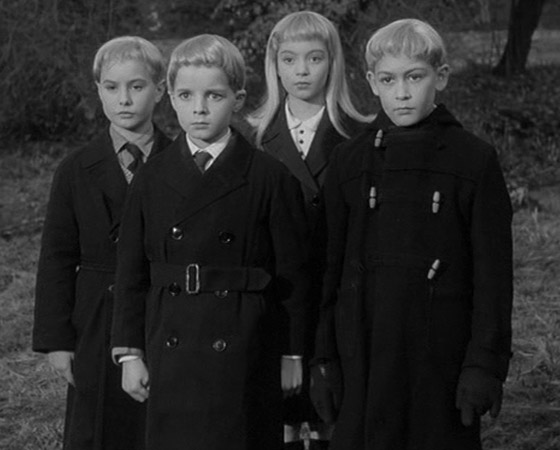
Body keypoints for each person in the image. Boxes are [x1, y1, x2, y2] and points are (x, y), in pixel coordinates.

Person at [312, 18, 513, 450]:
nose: (401, 93)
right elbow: (329, 269)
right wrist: (323, 358)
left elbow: (493, 278)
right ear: (372, 82)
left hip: (439, 358)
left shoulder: (473, 160)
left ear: (440, 77)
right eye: (388, 80)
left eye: (414, 77)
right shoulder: (349, 161)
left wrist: (484, 365)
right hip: (361, 356)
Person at [110, 34, 310, 450]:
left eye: (213, 96)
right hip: (170, 342)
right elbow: (131, 272)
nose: (199, 108)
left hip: (246, 343)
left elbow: (293, 276)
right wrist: (130, 353)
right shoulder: (151, 176)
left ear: (237, 100)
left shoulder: (269, 177)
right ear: (172, 98)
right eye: (186, 95)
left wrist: (292, 354)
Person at [32, 36, 170, 450]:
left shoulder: (180, 160)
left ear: (160, 89)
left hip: (162, 311)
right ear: (99, 91)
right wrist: (57, 341)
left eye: (137, 86)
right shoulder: (75, 168)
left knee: (158, 423)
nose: (124, 99)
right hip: (95, 319)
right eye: (112, 87)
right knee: (98, 427)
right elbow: (56, 257)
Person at [250, 10, 372, 450]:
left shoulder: (359, 134)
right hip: (277, 296)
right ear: (274, 65)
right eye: (289, 59)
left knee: (329, 409)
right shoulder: (253, 137)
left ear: (332, 62)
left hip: (336, 293)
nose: (301, 71)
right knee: (279, 411)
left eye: (314, 58)